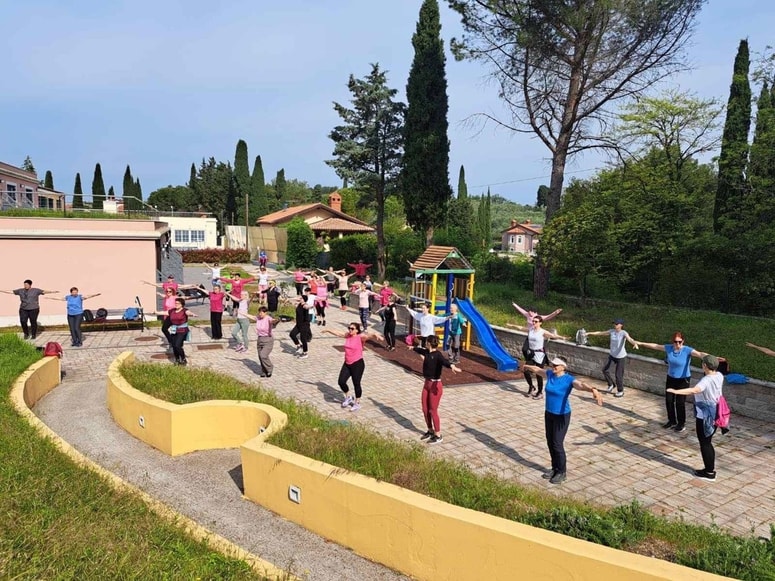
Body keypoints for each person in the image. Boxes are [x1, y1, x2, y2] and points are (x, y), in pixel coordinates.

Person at [522, 357, 603, 484]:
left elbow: (581, 385)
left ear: (563, 367)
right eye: (553, 364)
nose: (553, 366)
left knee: (557, 443)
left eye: (556, 365)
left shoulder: (568, 380)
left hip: (562, 415)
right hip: (549, 413)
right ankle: (555, 468)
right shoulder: (550, 374)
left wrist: (593, 389)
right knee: (550, 441)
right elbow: (537, 369)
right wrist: (527, 366)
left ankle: (562, 472)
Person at [638, 333, 717, 432]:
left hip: (683, 380)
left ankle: (681, 423)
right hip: (671, 378)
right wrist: (640, 343)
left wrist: (712, 358)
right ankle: (671, 421)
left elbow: (700, 354)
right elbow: (655, 346)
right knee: (669, 400)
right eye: (675, 342)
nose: (677, 344)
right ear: (673, 342)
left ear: (683, 341)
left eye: (680, 342)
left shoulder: (687, 350)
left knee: (680, 402)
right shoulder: (669, 348)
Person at [666, 354, 725, 481]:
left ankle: (709, 473)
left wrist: (676, 392)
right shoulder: (719, 376)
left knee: (705, 443)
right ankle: (709, 469)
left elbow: (695, 390)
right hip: (715, 411)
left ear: (705, 366)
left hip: (705, 416)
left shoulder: (706, 380)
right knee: (707, 442)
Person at [323, 322, 384, 412]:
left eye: (352, 329)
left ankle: (357, 403)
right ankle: (348, 397)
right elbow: (338, 333)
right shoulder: (348, 335)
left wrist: (375, 334)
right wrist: (328, 330)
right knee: (341, 381)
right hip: (347, 363)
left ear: (357, 330)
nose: (350, 330)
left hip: (357, 364)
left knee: (356, 384)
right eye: (349, 328)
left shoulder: (360, 337)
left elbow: (368, 336)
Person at [412, 335, 461, 444]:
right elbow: (420, 350)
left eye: (426, 341)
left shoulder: (437, 355)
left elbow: (445, 362)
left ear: (429, 343)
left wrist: (452, 366)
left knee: (432, 410)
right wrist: (412, 348)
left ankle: (438, 435)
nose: (425, 343)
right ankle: (430, 430)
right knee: (425, 409)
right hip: (426, 384)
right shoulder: (427, 352)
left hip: (435, 386)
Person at [585, 319, 640, 398]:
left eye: (617, 324)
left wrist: (634, 344)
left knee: (618, 375)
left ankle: (620, 391)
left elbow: (630, 339)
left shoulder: (623, 333)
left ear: (621, 325)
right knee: (605, 370)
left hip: (621, 357)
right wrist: (589, 333)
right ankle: (611, 384)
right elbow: (600, 333)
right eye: (614, 324)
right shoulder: (612, 331)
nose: (615, 325)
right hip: (612, 355)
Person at [521, 315, 566, 400]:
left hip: (539, 355)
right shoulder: (530, 330)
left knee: (539, 373)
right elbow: (521, 328)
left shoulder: (542, 332)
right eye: (533, 321)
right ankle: (531, 386)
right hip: (531, 353)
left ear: (540, 323)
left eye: (536, 321)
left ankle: (540, 392)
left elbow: (552, 335)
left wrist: (562, 337)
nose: (534, 323)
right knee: (526, 370)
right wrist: (511, 326)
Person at [167, 297, 197, 365]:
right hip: (174, 330)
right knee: (174, 346)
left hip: (182, 330)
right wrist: (155, 312)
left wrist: (192, 314)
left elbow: (188, 312)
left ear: (182, 304)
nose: (176, 304)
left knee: (178, 345)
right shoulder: (172, 310)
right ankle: (177, 359)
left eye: (178, 303)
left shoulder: (184, 310)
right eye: (175, 303)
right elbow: (165, 312)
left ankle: (183, 359)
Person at [255, 306, 279, 378]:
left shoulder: (268, 318)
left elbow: (272, 321)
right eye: (259, 312)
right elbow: (252, 317)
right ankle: (264, 371)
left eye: (261, 313)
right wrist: (242, 313)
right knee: (260, 356)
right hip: (260, 339)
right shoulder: (258, 318)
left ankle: (269, 368)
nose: (260, 314)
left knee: (263, 355)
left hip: (268, 340)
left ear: (265, 313)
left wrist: (277, 320)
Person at [289, 288, 312, 359]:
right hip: (298, 324)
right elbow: (294, 300)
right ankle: (299, 345)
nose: (300, 299)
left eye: (301, 298)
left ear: (304, 299)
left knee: (303, 339)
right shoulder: (299, 304)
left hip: (304, 325)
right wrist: (288, 299)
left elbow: (308, 307)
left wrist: (310, 306)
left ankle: (305, 353)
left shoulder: (305, 305)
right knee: (292, 334)